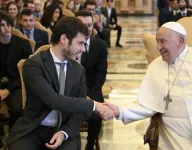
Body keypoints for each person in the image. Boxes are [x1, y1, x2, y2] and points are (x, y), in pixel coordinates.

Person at [105, 22, 192, 149]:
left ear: (180, 41)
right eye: (157, 42)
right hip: (176, 139)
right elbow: (147, 104)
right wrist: (119, 111)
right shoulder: (156, 66)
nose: (158, 47)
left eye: (163, 41)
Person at [7, 16, 114, 150]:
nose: (83, 49)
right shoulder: (33, 65)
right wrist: (94, 105)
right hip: (34, 128)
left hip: (65, 127)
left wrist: (64, 133)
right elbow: (53, 100)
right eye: (80, 43)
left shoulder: (78, 69)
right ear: (64, 39)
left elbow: (79, 113)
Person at [0, 9, 32, 150]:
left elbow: (27, 73)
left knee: (17, 109)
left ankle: (13, 139)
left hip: (16, 84)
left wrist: (8, 90)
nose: (6, 28)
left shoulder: (23, 44)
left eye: (8, 24)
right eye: (2, 25)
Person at [76, 10, 108, 150]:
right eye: (82, 25)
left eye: (89, 25)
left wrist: (89, 96)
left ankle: (90, 144)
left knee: (97, 116)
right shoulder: (67, 45)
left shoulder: (99, 45)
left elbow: (101, 74)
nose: (86, 29)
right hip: (69, 91)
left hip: (92, 90)